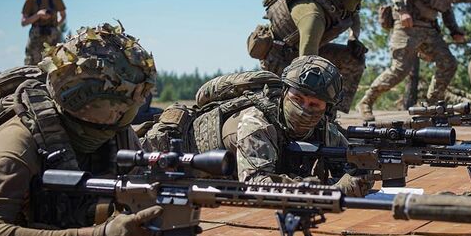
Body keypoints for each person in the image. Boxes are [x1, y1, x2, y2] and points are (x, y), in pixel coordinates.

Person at [0, 23, 160, 236]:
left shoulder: (118, 134)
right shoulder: (19, 140)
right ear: (109, 109)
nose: (138, 104)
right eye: (129, 101)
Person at [142, 56, 373, 197]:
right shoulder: (256, 122)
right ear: (284, 93)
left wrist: (357, 177)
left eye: (314, 104)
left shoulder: (324, 129)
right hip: (165, 160)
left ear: (327, 109)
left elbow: (357, 164)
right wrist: (329, 188)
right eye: (297, 99)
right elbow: (255, 184)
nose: (304, 108)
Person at [355, 0, 466, 122]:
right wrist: (401, 10)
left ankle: (432, 105)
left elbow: (446, 7)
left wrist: (454, 30)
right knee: (399, 70)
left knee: (448, 63)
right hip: (408, 26)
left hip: (430, 29)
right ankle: (366, 101)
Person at [248, 0, 372, 116]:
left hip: (307, 51)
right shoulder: (313, 16)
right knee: (285, 110)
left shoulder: (339, 2)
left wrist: (353, 37)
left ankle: (330, 114)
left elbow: (353, 15)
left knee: (354, 59)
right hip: (281, 60)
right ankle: (315, 114)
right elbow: (307, 67)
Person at [21, 0, 67, 65]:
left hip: (53, 39)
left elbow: (63, 16)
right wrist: (38, 15)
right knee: (33, 69)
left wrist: (54, 26)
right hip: (36, 40)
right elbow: (23, 22)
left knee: (57, 65)